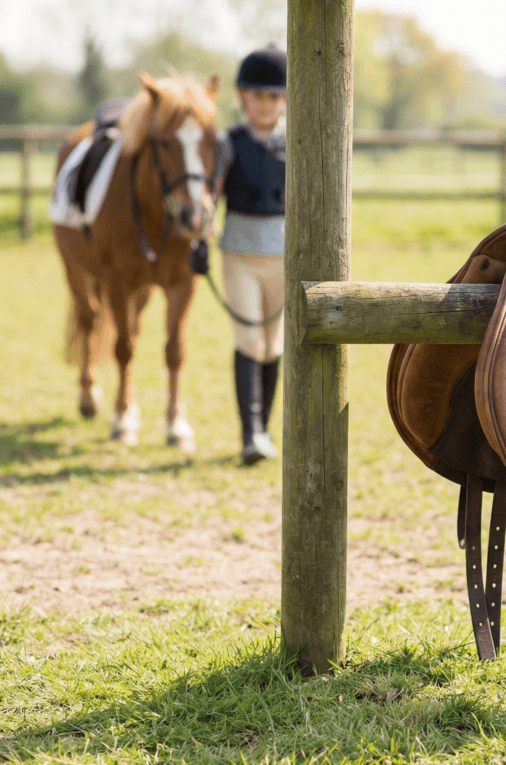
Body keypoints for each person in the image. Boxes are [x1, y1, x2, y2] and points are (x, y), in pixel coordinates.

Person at [216, 44, 287, 464]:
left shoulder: (296, 144)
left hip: (282, 256)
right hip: (239, 253)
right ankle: (251, 433)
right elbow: (208, 195)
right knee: (247, 339)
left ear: (284, 100)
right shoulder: (229, 143)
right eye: (257, 96)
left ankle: (265, 430)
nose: (265, 104)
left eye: (273, 96)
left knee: (272, 343)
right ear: (243, 97)